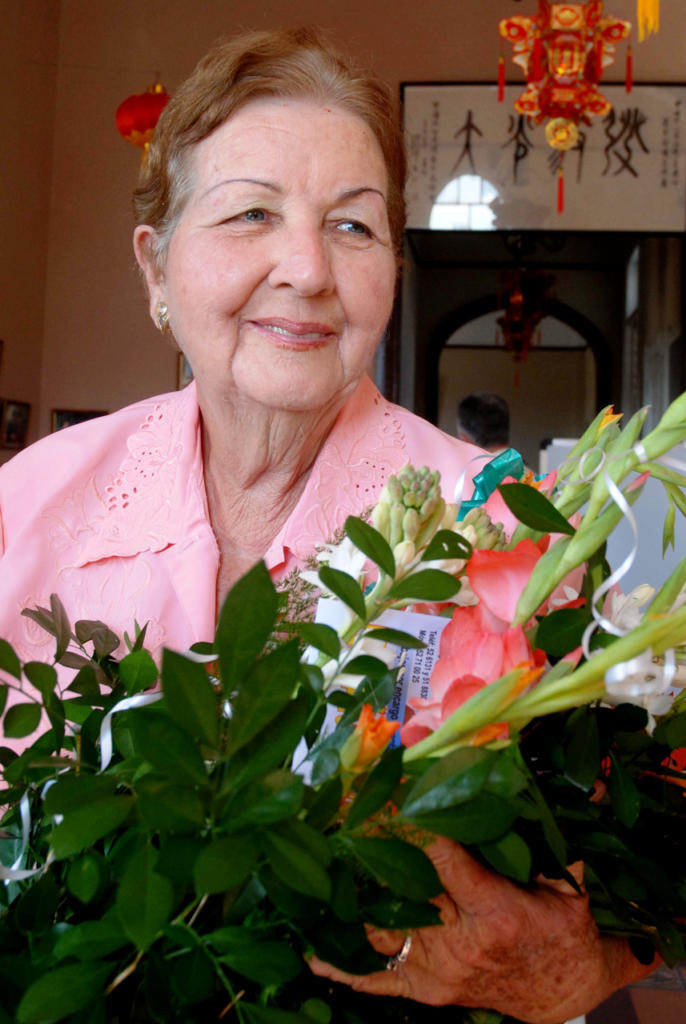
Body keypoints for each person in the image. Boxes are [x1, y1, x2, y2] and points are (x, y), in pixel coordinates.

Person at [0, 26, 654, 1022]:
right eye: (249, 214)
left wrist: (583, 973)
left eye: (351, 228)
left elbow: (625, 893)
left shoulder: (501, 532)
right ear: (156, 268)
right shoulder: (30, 502)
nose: (306, 269)